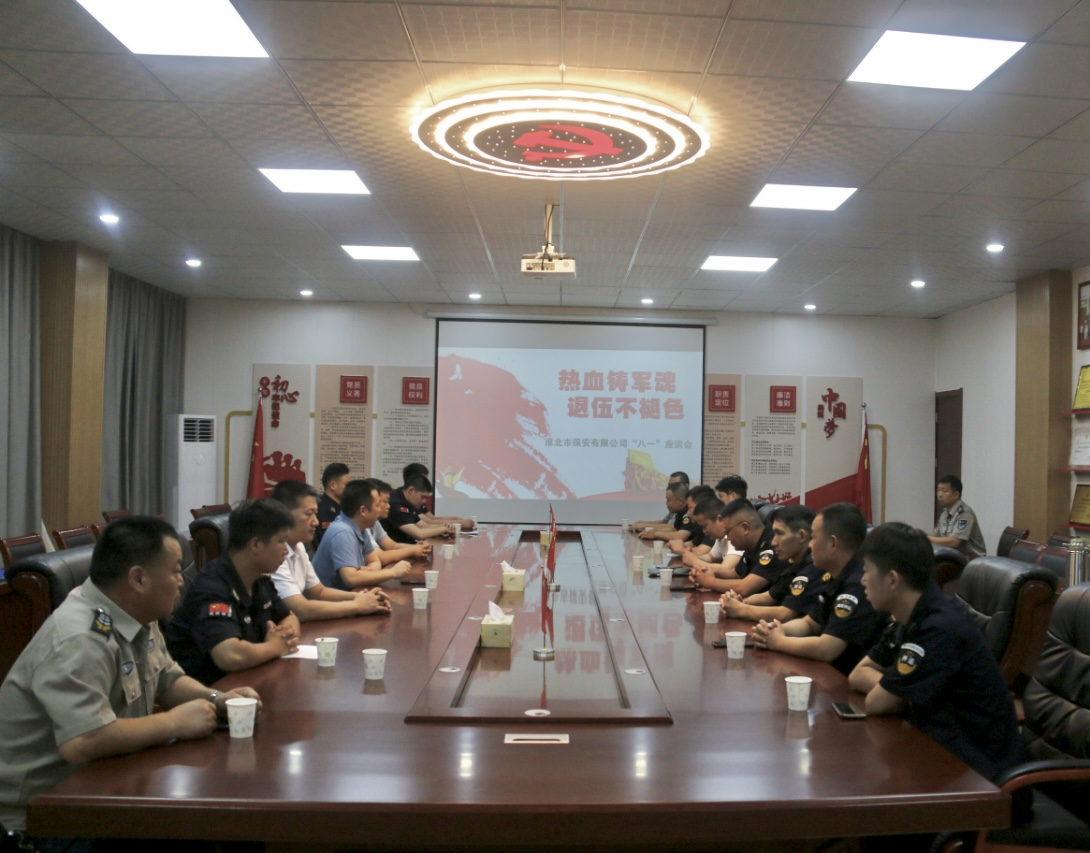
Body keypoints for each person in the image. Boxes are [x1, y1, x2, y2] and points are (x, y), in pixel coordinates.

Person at [0, 517, 260, 840]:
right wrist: (175, 723)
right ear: (138, 579)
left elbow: (166, 678)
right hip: (42, 819)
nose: (181, 581)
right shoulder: (81, 637)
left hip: (105, 787)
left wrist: (216, 700)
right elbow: (84, 741)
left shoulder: (136, 613)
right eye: (175, 570)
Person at [850, 523, 1025, 784]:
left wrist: (895, 691)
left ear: (893, 580)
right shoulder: (910, 615)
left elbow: (877, 703)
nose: (862, 580)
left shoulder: (939, 628)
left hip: (982, 777)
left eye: (866, 571)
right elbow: (857, 675)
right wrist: (900, 689)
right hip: (939, 752)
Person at [166, 499, 302, 685]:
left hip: (250, 680)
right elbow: (229, 655)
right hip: (211, 692)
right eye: (281, 541)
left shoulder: (258, 578)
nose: (286, 551)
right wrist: (275, 646)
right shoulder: (212, 586)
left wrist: (285, 634)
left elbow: (289, 617)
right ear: (255, 545)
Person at [753, 502, 887, 675]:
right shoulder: (837, 575)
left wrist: (778, 641)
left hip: (844, 681)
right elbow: (809, 623)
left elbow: (827, 649)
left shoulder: (859, 583)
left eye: (814, 538)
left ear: (832, 543)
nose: (810, 545)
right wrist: (773, 629)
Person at [269, 480, 391, 621]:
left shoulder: (299, 546)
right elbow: (301, 610)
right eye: (309, 514)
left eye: (316, 514)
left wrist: (362, 597)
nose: (316, 522)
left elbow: (319, 592)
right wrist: (357, 605)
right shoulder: (272, 552)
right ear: (284, 515)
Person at [721, 505, 822, 624]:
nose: (773, 542)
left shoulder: (814, 566)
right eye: (774, 534)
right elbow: (769, 596)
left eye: (780, 534)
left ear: (801, 536)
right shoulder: (793, 562)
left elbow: (786, 614)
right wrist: (740, 602)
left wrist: (741, 609)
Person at [311, 479, 412, 589]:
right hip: (329, 598)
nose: (379, 510)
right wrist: (392, 572)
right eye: (377, 505)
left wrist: (370, 570)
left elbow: (375, 561)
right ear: (363, 511)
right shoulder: (342, 532)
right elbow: (351, 579)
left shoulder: (360, 527)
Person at [688, 498, 790, 596]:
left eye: (728, 532)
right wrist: (707, 571)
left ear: (744, 528)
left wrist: (710, 582)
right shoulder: (751, 544)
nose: (727, 538)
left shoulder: (773, 545)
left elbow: (745, 587)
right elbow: (735, 574)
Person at [364, 478, 433, 565]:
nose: (388, 506)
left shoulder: (375, 521)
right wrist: (413, 550)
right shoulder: (362, 525)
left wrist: (419, 548)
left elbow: (391, 545)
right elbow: (381, 557)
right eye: (384, 502)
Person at [386, 474, 460, 543]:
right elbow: (419, 534)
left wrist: (446, 527)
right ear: (411, 491)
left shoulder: (406, 498)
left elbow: (424, 526)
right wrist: (443, 529)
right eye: (423, 497)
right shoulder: (395, 504)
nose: (424, 501)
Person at [680, 498, 743, 578]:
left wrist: (694, 561)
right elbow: (711, 557)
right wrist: (694, 556)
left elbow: (726, 569)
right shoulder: (720, 537)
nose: (704, 531)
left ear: (719, 520)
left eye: (705, 526)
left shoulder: (735, 536)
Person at [927, 475, 986, 558]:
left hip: (971, 559)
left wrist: (927, 539)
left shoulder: (965, 514)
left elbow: (954, 542)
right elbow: (936, 534)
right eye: (938, 490)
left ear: (956, 494)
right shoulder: (945, 512)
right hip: (954, 555)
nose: (940, 494)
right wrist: (919, 536)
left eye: (945, 491)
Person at [635, 482, 700, 543]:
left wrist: (655, 534)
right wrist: (650, 531)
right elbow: (672, 528)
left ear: (680, 501)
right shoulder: (680, 512)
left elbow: (680, 537)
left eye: (668, 500)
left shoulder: (689, 514)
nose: (666, 503)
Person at [315, 462, 351, 547]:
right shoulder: (324, 510)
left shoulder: (342, 507)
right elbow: (332, 543)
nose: (349, 489)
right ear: (333, 485)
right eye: (346, 485)